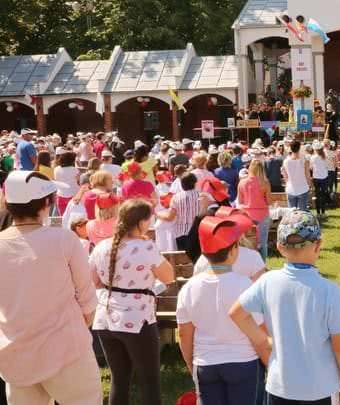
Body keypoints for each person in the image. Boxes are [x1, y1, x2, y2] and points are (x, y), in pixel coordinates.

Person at [230, 210, 340, 405]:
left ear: (279, 247)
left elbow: (237, 313)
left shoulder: (267, 282)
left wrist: (263, 341)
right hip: (321, 389)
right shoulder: (330, 291)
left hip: (280, 386)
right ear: (318, 245)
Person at [0, 171, 102, 404]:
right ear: (46, 202)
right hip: (67, 350)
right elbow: (87, 299)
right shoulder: (64, 240)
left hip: (16, 353)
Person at [90, 199, 175, 405]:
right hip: (137, 318)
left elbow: (94, 281)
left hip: (105, 318)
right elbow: (169, 276)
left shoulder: (102, 246)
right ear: (142, 222)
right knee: (150, 380)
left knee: (119, 379)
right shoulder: (146, 247)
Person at [177, 216, 268, 405]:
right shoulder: (245, 285)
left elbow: (184, 333)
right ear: (234, 250)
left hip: (205, 363)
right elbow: (260, 330)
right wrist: (268, 361)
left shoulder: (189, 288)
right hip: (243, 362)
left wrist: (192, 365)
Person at [159, 173, 210, 252]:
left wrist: (158, 214)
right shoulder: (203, 196)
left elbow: (170, 217)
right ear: (195, 183)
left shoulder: (176, 198)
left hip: (181, 235)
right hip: (199, 234)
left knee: (184, 258)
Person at [238, 160, 271, 261]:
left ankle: (249, 263)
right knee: (263, 243)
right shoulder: (265, 183)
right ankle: (262, 264)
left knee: (248, 242)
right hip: (262, 214)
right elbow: (268, 201)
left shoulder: (242, 182)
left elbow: (240, 201)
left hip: (247, 215)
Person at [282, 140, 312, 211]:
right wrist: (309, 185)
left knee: (292, 213)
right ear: (299, 148)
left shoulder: (286, 161)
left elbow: (285, 176)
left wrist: (287, 184)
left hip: (291, 189)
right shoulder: (304, 160)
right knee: (303, 213)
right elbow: (307, 175)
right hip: (302, 188)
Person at [54, 150, 80, 215]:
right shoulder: (75, 170)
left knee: (63, 217)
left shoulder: (56, 169)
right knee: (74, 216)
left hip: (60, 195)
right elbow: (78, 181)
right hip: (73, 195)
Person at [310, 141, 329, 218]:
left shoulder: (313, 157)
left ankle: (318, 213)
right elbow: (327, 166)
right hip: (324, 177)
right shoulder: (325, 156)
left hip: (316, 178)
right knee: (323, 195)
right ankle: (323, 212)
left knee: (317, 196)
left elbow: (311, 168)